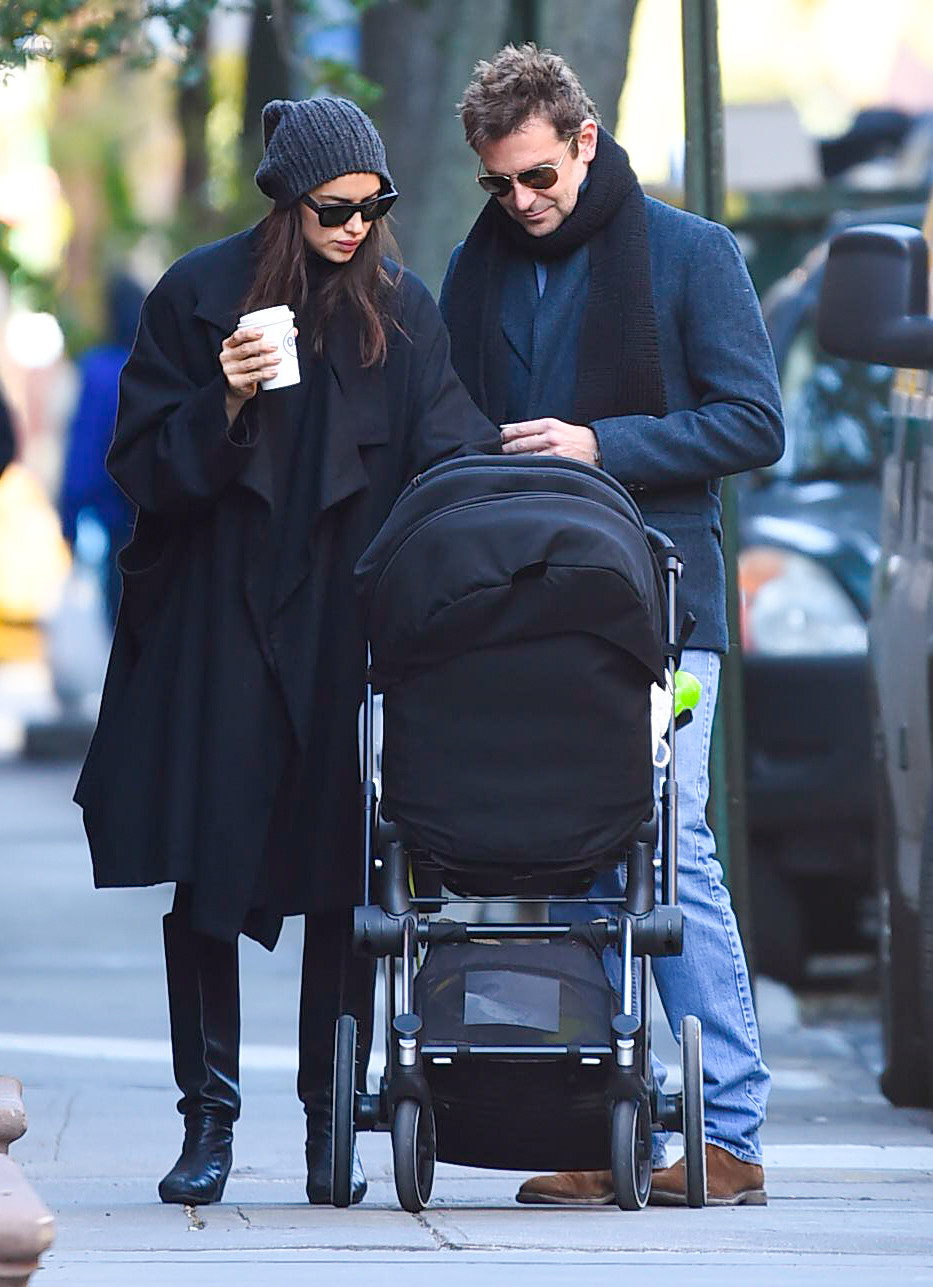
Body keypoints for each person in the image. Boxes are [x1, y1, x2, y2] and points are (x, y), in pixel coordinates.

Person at [74, 96, 498, 1208]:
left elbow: (448, 454)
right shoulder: (200, 295)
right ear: (285, 201)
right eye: (333, 209)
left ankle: (328, 1124)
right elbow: (140, 471)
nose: (356, 227)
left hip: (342, 627)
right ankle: (208, 1122)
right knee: (209, 870)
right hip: (219, 627)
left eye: (372, 207)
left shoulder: (399, 318)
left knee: (341, 875)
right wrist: (227, 390)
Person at [440, 44, 783, 1207]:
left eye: (538, 177)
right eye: (500, 186)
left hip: (663, 606)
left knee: (672, 847)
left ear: (585, 140)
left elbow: (752, 420)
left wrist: (602, 445)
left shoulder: (690, 253)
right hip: (530, 610)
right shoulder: (475, 270)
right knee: (573, 856)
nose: (521, 205)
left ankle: (728, 1134)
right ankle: (603, 1124)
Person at [59, 274, 145, 625]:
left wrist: (68, 519)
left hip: (115, 520)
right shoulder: (151, 362)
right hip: (158, 514)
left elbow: (84, 453)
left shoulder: (98, 369)